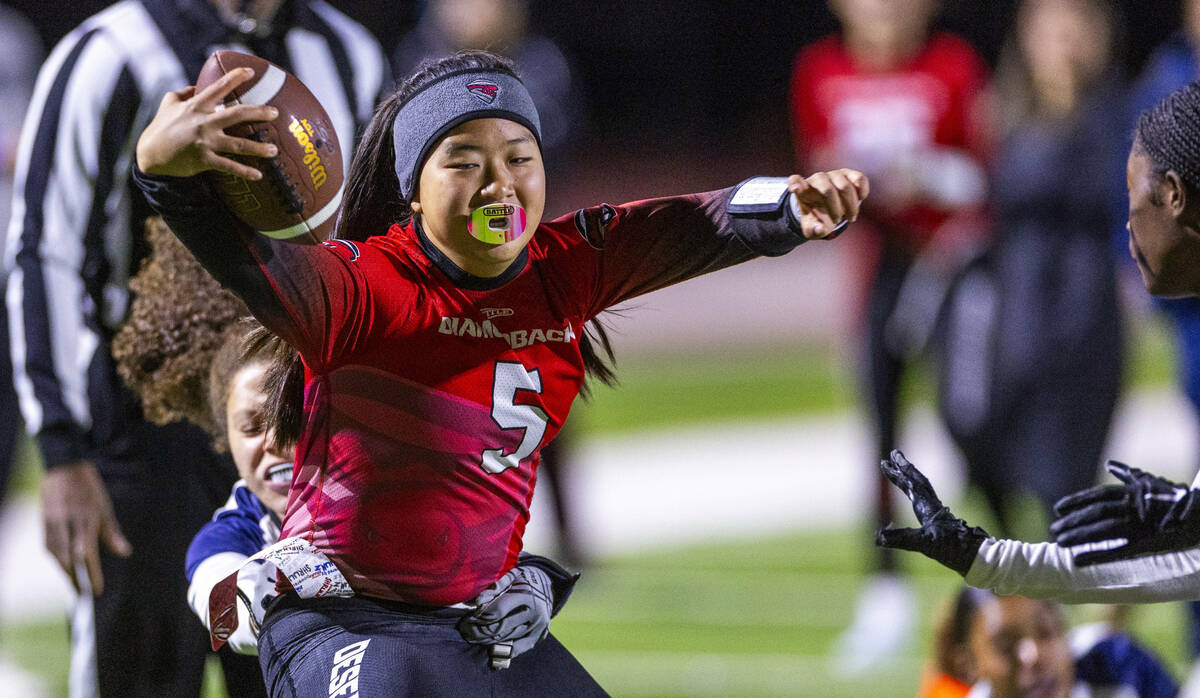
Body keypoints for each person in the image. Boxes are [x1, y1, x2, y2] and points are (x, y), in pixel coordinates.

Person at [132, 49, 867, 695]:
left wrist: (795, 207)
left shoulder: (567, 269)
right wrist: (166, 176)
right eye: (464, 161)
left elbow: (698, 221)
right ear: (413, 192)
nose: (500, 182)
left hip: (475, 623)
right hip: (342, 620)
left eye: (519, 157)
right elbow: (247, 264)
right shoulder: (362, 286)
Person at [4, 1, 388, 694]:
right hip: (145, 434)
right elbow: (43, 253)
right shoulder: (111, 52)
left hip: (296, 423)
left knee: (306, 679)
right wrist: (61, 449)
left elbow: (379, 253)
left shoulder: (347, 51)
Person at [111, 220, 582, 664]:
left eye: (291, 417)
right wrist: (251, 591)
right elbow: (221, 601)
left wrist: (533, 587)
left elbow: (471, 553)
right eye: (251, 427)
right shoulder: (235, 535)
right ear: (223, 440)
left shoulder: (389, 492)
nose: (274, 440)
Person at [789, 0, 989, 670]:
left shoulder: (951, 65)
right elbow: (817, 177)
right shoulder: (820, 70)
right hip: (879, 273)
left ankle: (998, 572)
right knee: (880, 435)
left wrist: (925, 175)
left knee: (973, 423)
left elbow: (985, 177)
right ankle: (884, 594)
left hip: (949, 271)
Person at [938, 0, 1125, 535]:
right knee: (979, 439)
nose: (1062, 42)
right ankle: (1023, 592)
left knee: (1068, 482)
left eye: (1074, 28)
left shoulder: (1115, 115)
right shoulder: (1000, 115)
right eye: (1048, 30)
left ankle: (1072, 605)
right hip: (1012, 318)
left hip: (1085, 316)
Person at [921, 587, 1176, 698]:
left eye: (1046, 632)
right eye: (1006, 646)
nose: (1033, 655)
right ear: (969, 663)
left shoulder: (1117, 664)